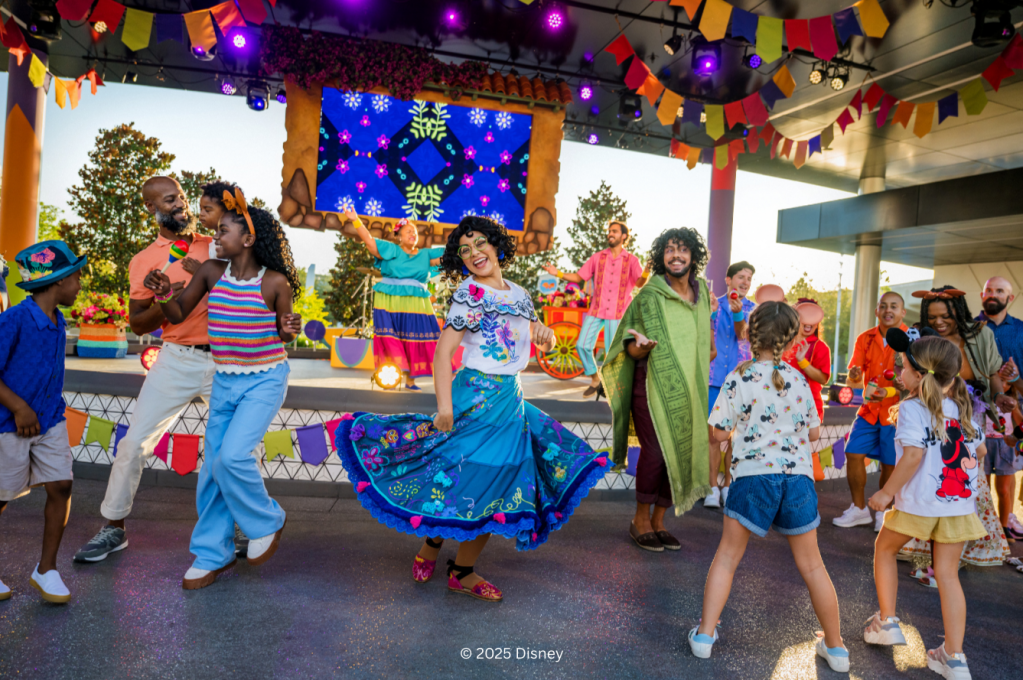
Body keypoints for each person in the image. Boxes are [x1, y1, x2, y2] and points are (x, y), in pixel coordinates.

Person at [336, 216, 608, 602]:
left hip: (509, 403)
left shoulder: (520, 294)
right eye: (465, 250)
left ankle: (461, 571)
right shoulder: (469, 294)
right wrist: (444, 407)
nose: (474, 253)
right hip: (472, 399)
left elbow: (535, 340)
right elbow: (443, 353)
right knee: (455, 476)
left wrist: (544, 335)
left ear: (497, 245)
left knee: (495, 487)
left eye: (480, 243)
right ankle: (431, 545)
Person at [144, 189, 301, 589]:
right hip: (225, 378)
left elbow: (285, 336)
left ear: (248, 239)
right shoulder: (211, 271)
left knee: (232, 457)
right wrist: (164, 292)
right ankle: (211, 553)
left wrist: (288, 329)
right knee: (212, 467)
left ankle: (268, 520)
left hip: (265, 379)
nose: (217, 233)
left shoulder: (275, 282)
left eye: (225, 229)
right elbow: (177, 314)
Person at [693, 302, 848, 672]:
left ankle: (704, 636)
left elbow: (717, 433)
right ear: (794, 338)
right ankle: (838, 648)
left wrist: (730, 437)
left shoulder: (739, 377)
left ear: (749, 334)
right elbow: (813, 432)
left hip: (752, 477)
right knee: (812, 566)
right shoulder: (798, 379)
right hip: (797, 479)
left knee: (728, 558)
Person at [75, 177, 218, 563]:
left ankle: (235, 526)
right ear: (151, 209)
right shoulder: (143, 261)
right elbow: (138, 324)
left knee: (235, 451)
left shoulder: (217, 243)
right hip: (175, 358)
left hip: (226, 358)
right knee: (133, 443)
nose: (181, 205)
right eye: (170, 200)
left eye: (183, 197)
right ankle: (113, 527)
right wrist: (166, 295)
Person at [865, 330, 987, 680]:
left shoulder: (912, 408)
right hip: (957, 506)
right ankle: (954, 657)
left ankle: (887, 621)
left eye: (902, 367)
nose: (899, 373)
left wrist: (886, 493)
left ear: (919, 376)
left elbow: (914, 454)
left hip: (917, 502)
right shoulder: (961, 409)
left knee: (885, 550)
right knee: (947, 575)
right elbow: (979, 451)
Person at [601, 228, 715, 552]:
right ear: (661, 257)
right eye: (669, 250)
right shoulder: (649, 296)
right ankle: (640, 519)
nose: (675, 255)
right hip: (650, 385)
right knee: (656, 452)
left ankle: (660, 520)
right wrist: (642, 346)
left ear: (693, 256)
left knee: (679, 450)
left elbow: (708, 347)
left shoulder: (703, 294)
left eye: (682, 250)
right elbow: (629, 350)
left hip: (690, 388)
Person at [0, 242, 85, 603]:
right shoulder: (15, 319)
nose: (80, 284)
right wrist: (19, 408)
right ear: (57, 282)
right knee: (1, 496)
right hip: (9, 424)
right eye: (76, 277)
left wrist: (39, 411)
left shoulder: (58, 319)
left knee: (61, 485)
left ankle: (46, 570)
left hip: (50, 419)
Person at [542, 222, 649, 397]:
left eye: (614, 231)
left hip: (617, 312)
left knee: (612, 351)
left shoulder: (631, 260)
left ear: (623, 236)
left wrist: (646, 272)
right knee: (582, 345)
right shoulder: (598, 257)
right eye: (609, 231)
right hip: (596, 310)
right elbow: (579, 276)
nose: (610, 234)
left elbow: (639, 283)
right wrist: (558, 273)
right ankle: (594, 378)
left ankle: (613, 388)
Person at [346, 208, 444, 390]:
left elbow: (449, 255)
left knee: (417, 338)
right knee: (391, 337)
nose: (413, 234)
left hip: (416, 302)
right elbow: (368, 240)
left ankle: (413, 379)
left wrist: (469, 245)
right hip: (388, 300)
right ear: (398, 235)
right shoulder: (390, 249)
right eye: (408, 231)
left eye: (415, 232)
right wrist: (355, 220)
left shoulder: (425, 254)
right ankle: (396, 373)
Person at [834, 292, 907, 532]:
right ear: (877, 311)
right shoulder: (864, 338)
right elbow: (854, 381)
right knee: (853, 453)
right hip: (868, 410)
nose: (888, 310)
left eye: (894, 306)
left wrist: (890, 393)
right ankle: (859, 510)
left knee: (889, 464)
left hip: (897, 413)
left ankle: (884, 513)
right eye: (883, 306)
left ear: (902, 312)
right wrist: (854, 376)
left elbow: (916, 380)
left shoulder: (911, 338)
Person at [704, 261, 756, 509]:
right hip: (713, 380)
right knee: (713, 438)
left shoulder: (753, 310)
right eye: (741, 277)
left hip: (740, 382)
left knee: (735, 438)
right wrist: (711, 313)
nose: (745, 282)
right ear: (728, 280)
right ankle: (712, 488)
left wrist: (737, 313)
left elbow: (742, 334)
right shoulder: (712, 304)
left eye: (749, 279)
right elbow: (704, 335)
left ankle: (728, 486)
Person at [976, 276, 1023, 539]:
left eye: (1000, 291)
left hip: (1013, 413)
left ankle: (1004, 527)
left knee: (1005, 483)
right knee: (977, 481)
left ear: (1010, 298)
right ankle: (979, 529)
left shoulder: (1020, 331)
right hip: (976, 411)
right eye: (989, 290)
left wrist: (1013, 379)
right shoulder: (970, 328)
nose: (993, 294)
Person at [784, 298, 832, 421]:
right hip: (782, 407)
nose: (810, 319)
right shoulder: (782, 343)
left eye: (813, 315)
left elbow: (823, 379)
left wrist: (803, 362)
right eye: (805, 314)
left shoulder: (820, 347)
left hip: (807, 409)